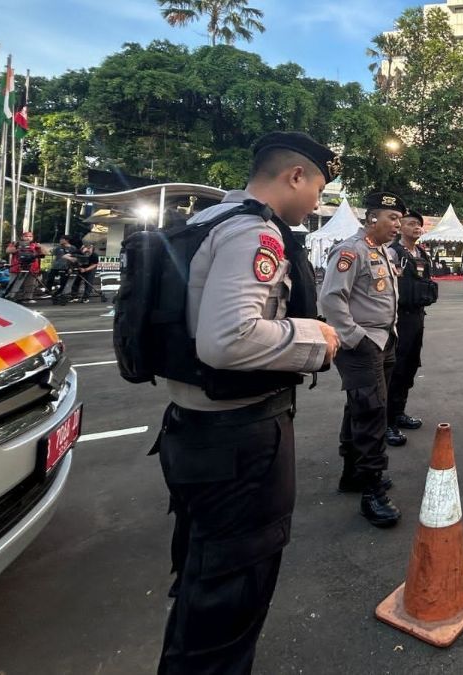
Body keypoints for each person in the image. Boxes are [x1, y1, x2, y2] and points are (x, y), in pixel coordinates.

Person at [154, 131, 339, 673]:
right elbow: (228, 338)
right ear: (296, 175)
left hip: (192, 426)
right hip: (239, 440)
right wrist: (314, 338)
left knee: (202, 584)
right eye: (319, 189)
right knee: (230, 599)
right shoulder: (254, 233)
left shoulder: (204, 221)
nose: (317, 204)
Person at [320, 191, 406, 528]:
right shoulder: (350, 251)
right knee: (372, 412)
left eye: (399, 219)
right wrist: (355, 337)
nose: (397, 225)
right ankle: (372, 492)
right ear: (372, 218)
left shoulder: (381, 251)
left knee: (359, 405)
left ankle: (352, 474)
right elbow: (330, 298)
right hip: (364, 342)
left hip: (385, 339)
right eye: (392, 218)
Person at [387, 209, 437, 445]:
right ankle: (387, 422)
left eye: (419, 225)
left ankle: (399, 412)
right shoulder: (394, 253)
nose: (416, 228)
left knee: (409, 367)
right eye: (411, 224)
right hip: (399, 319)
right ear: (401, 227)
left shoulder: (421, 254)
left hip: (417, 317)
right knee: (395, 368)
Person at [5, 231, 43, 303]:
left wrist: (40, 247)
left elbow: (45, 253)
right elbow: (8, 251)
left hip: (32, 267)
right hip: (18, 267)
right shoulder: (16, 243)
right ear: (22, 237)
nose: (28, 238)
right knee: (14, 283)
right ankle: (10, 296)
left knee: (30, 284)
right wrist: (19, 247)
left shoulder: (35, 245)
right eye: (26, 236)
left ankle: (28, 298)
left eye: (30, 236)